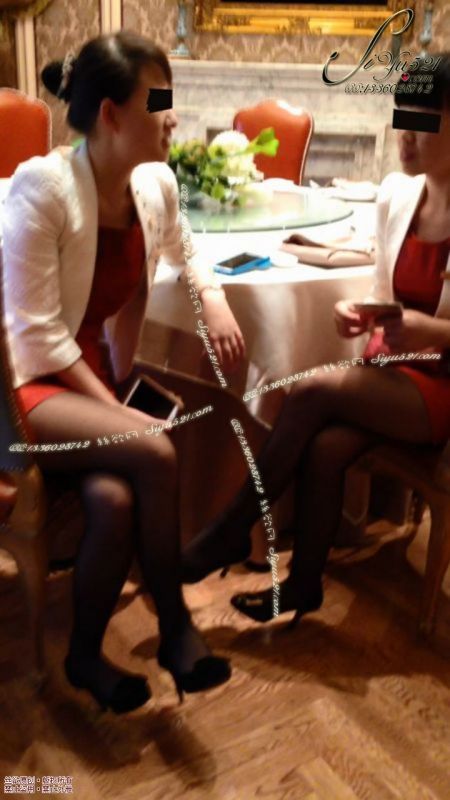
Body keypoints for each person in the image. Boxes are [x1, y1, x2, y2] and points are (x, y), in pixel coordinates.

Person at [2, 31, 245, 712]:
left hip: (83, 383)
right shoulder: (44, 187)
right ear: (110, 114)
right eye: (157, 102)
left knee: (114, 502)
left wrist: (213, 299)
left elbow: (185, 245)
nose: (173, 118)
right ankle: (176, 629)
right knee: (154, 447)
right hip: (23, 388)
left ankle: (83, 658)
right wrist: (115, 410)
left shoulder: (152, 184)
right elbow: (35, 336)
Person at [181, 53, 450, 626]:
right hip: (394, 371)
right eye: (401, 116)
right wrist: (363, 313)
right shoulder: (399, 195)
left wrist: (428, 330)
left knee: (307, 392)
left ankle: (232, 528)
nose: (404, 134)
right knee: (325, 448)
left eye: (422, 119)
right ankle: (303, 584)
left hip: (442, 384)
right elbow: (385, 294)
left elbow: (426, 324)